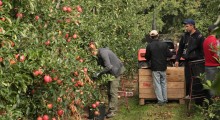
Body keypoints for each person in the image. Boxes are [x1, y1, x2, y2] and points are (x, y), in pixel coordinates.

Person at [91, 46, 125, 118]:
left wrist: (99, 73)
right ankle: (110, 109)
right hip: (112, 72)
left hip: (116, 71)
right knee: (109, 91)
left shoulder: (103, 53)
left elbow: (109, 66)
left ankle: (113, 111)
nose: (92, 54)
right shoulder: (100, 54)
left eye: (92, 52)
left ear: (95, 50)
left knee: (113, 91)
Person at [175, 18, 205, 98]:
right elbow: (180, 48)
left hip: (197, 62)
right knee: (188, 79)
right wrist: (177, 60)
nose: (185, 28)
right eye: (185, 26)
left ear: (192, 26)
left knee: (197, 79)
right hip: (187, 61)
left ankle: (199, 96)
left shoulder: (199, 36)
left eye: (187, 26)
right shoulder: (184, 36)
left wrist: (203, 60)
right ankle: (189, 94)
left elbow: (203, 50)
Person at [145, 30, 173, 105]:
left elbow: (147, 57)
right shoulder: (164, 45)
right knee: (163, 83)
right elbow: (170, 55)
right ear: (158, 35)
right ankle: (165, 99)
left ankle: (160, 101)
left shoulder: (149, 46)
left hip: (155, 67)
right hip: (163, 67)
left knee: (157, 84)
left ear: (151, 37)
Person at [203, 24, 220, 97]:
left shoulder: (205, 40)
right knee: (215, 88)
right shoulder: (215, 41)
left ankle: (210, 105)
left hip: (207, 66)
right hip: (215, 66)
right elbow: (217, 55)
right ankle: (215, 105)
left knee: (210, 86)